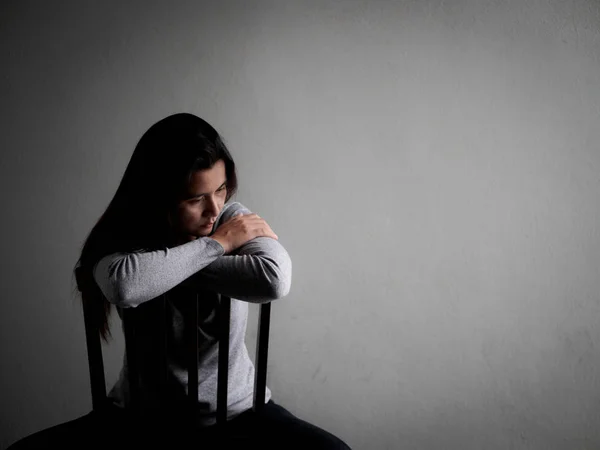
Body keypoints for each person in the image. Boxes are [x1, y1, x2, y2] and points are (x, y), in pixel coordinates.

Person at [8, 113, 351, 449]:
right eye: (195, 198)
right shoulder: (127, 238)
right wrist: (218, 246)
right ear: (159, 198)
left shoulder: (233, 218)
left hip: (239, 413)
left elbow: (274, 280)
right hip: (138, 417)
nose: (214, 208)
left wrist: (163, 270)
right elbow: (125, 287)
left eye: (220, 189)